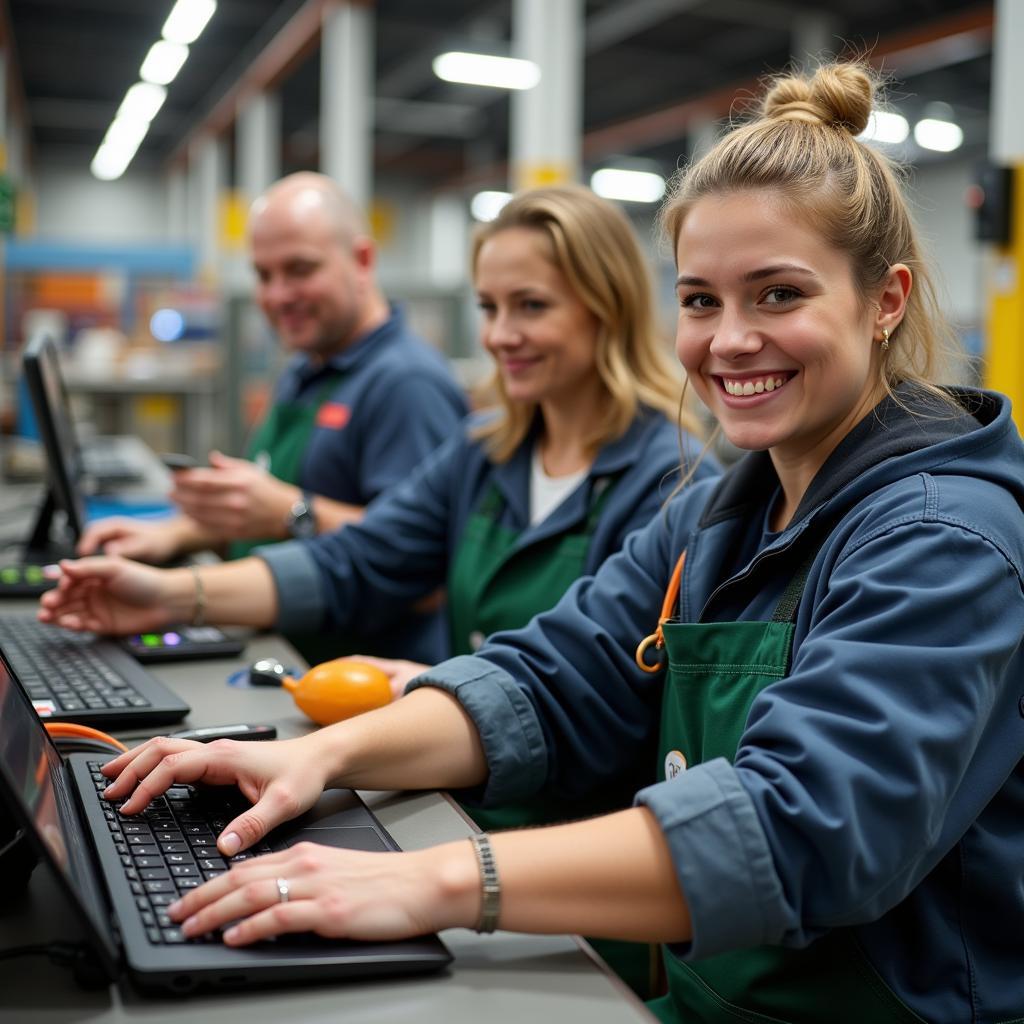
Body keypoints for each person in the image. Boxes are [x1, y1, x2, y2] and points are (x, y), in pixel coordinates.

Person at [49, 60, 1024, 1022]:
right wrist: (315, 757)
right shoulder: (721, 507)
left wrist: (435, 881)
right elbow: (551, 677)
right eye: (699, 300)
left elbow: (803, 822)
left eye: (777, 295)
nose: (727, 341)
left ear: (885, 299)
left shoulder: (943, 536)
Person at [76, 172, 467, 663]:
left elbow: (425, 572)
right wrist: (177, 533)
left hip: (349, 679)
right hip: (275, 645)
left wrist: (293, 511)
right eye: (264, 275)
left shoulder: (407, 384)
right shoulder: (308, 365)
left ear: (362, 260)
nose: (278, 295)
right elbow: (264, 511)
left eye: (300, 269)